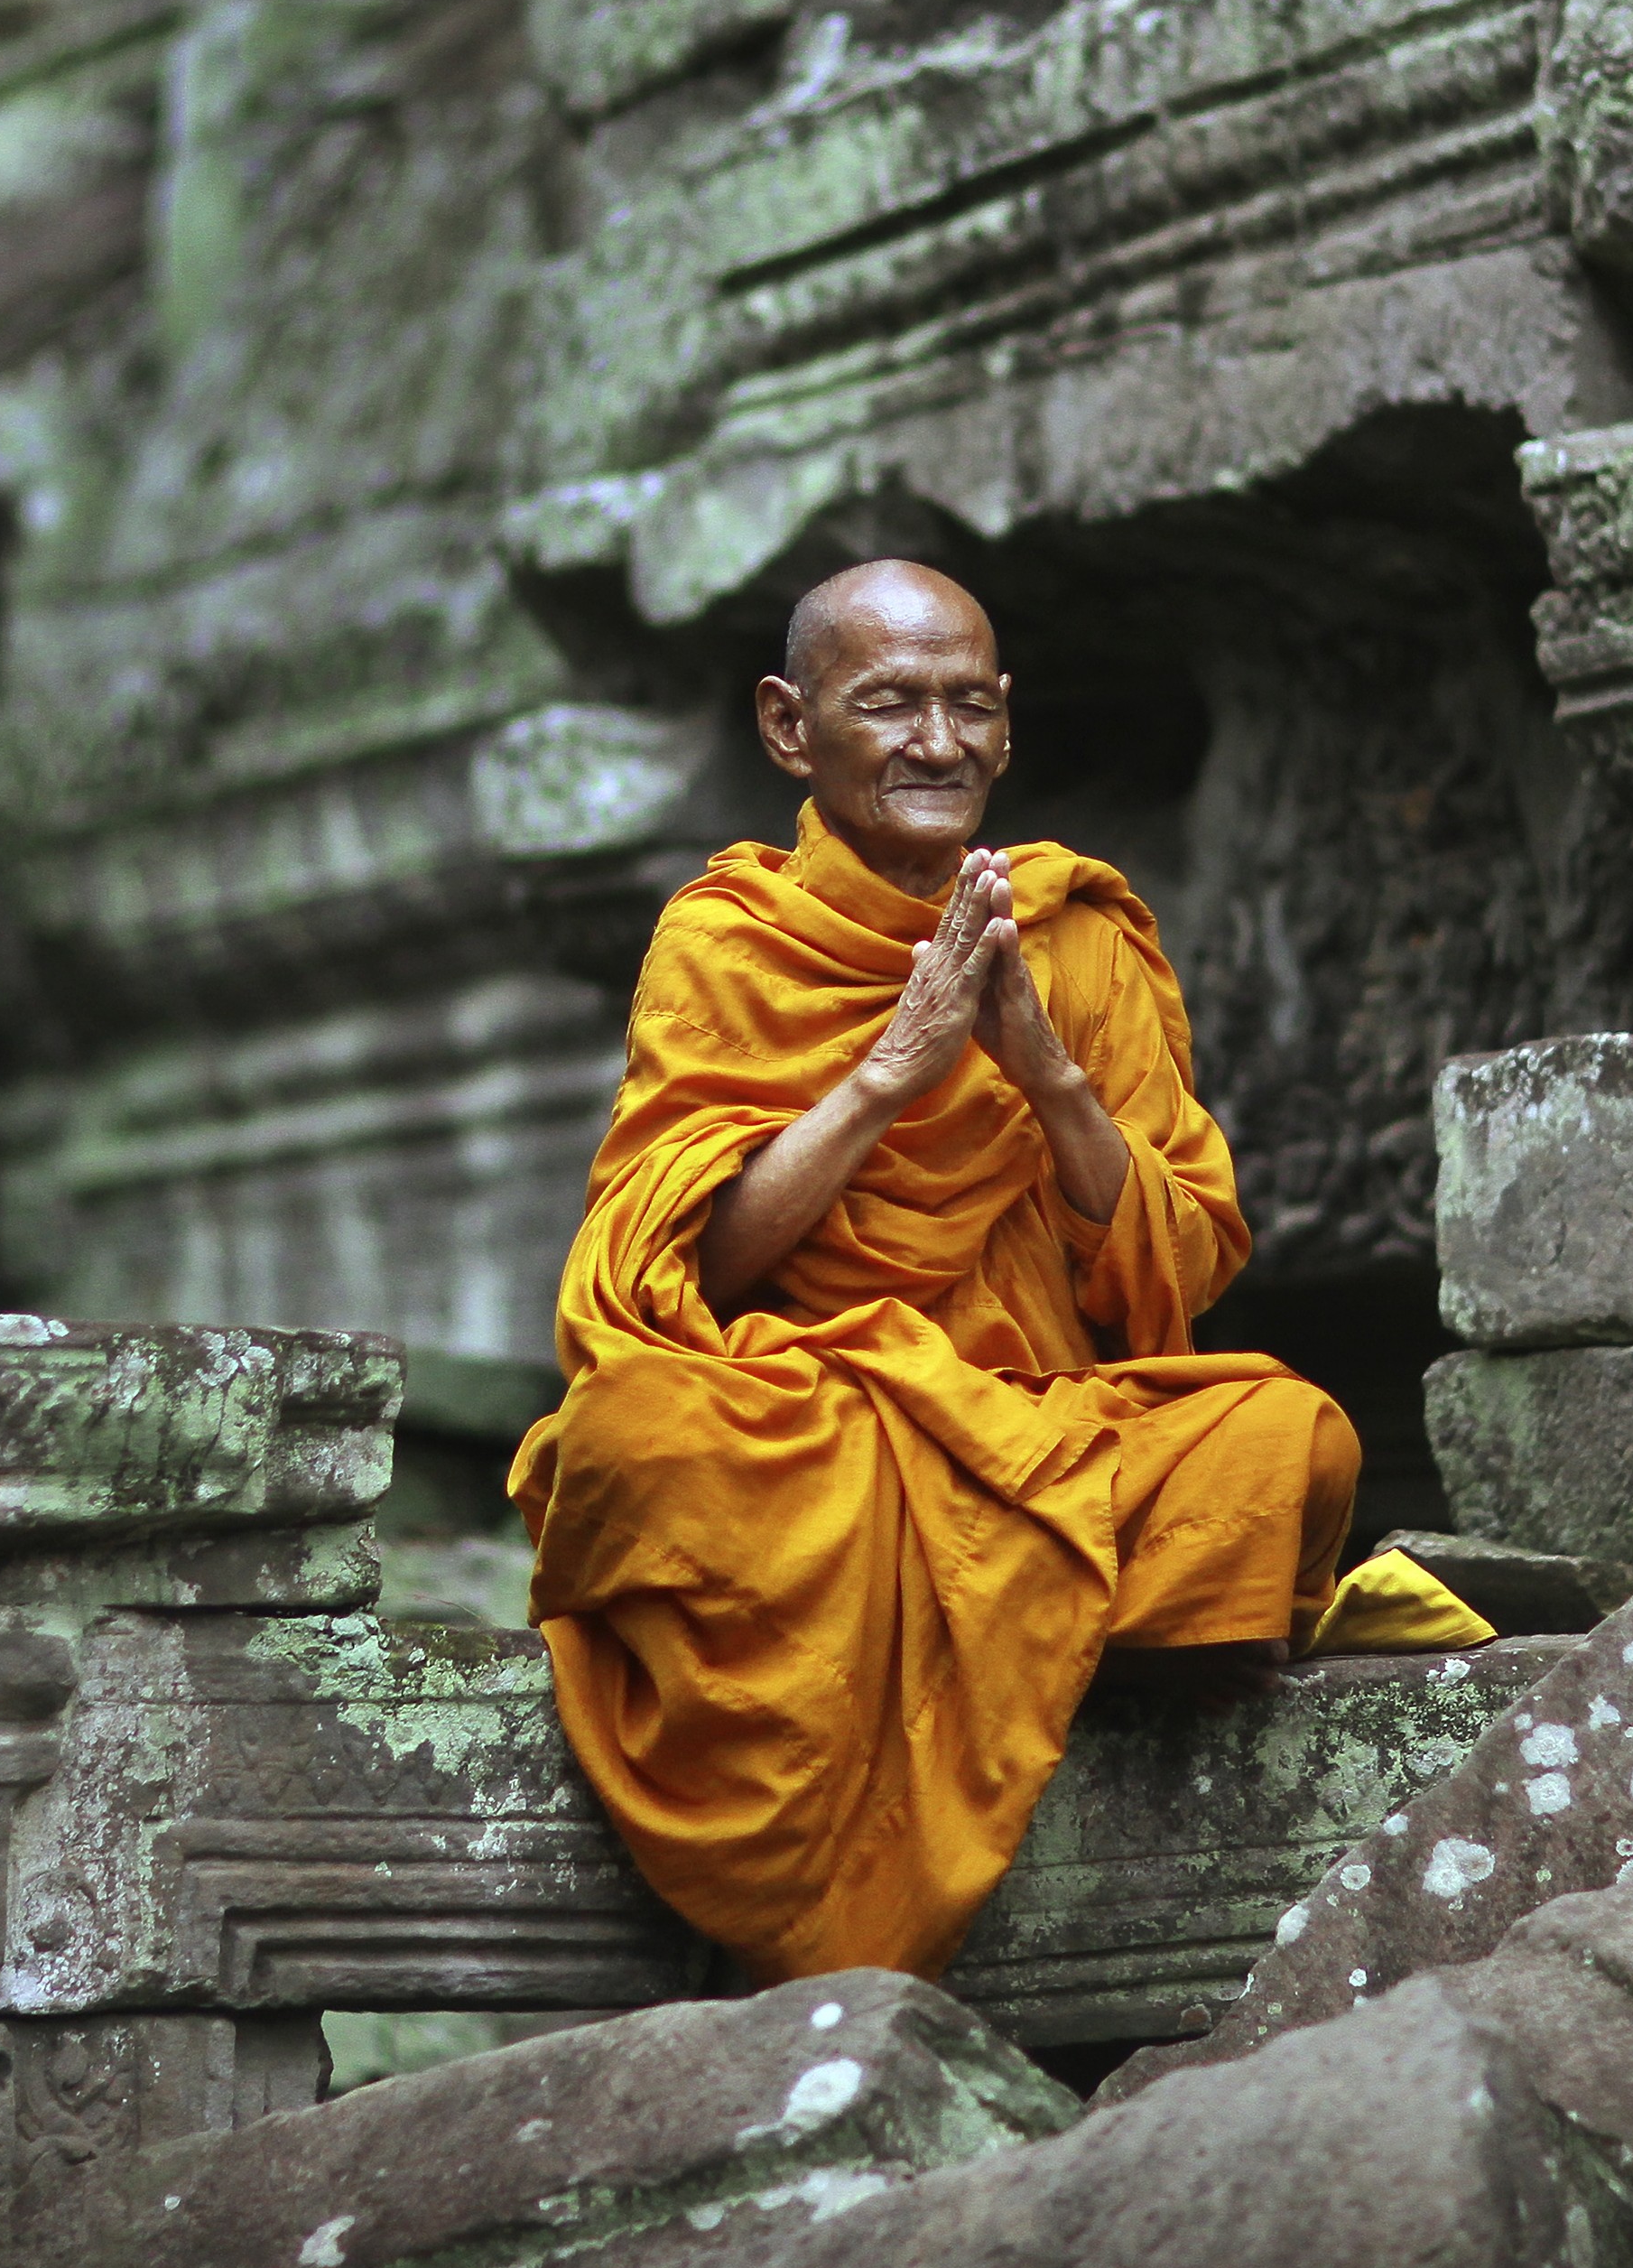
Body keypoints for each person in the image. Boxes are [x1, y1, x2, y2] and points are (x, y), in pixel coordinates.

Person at [508, 558, 1486, 1987]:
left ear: (1010, 723)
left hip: (1029, 1425)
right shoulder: (727, 941)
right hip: (811, 1427)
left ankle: (1034, 1603)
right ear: (791, 728)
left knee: (1290, 1437)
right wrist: (891, 1072)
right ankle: (1074, 1619)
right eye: (889, 705)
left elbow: (1178, 1268)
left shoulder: (1073, 933)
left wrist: (1041, 1066)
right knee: (636, 1444)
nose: (938, 743)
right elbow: (685, 1265)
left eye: (970, 705)